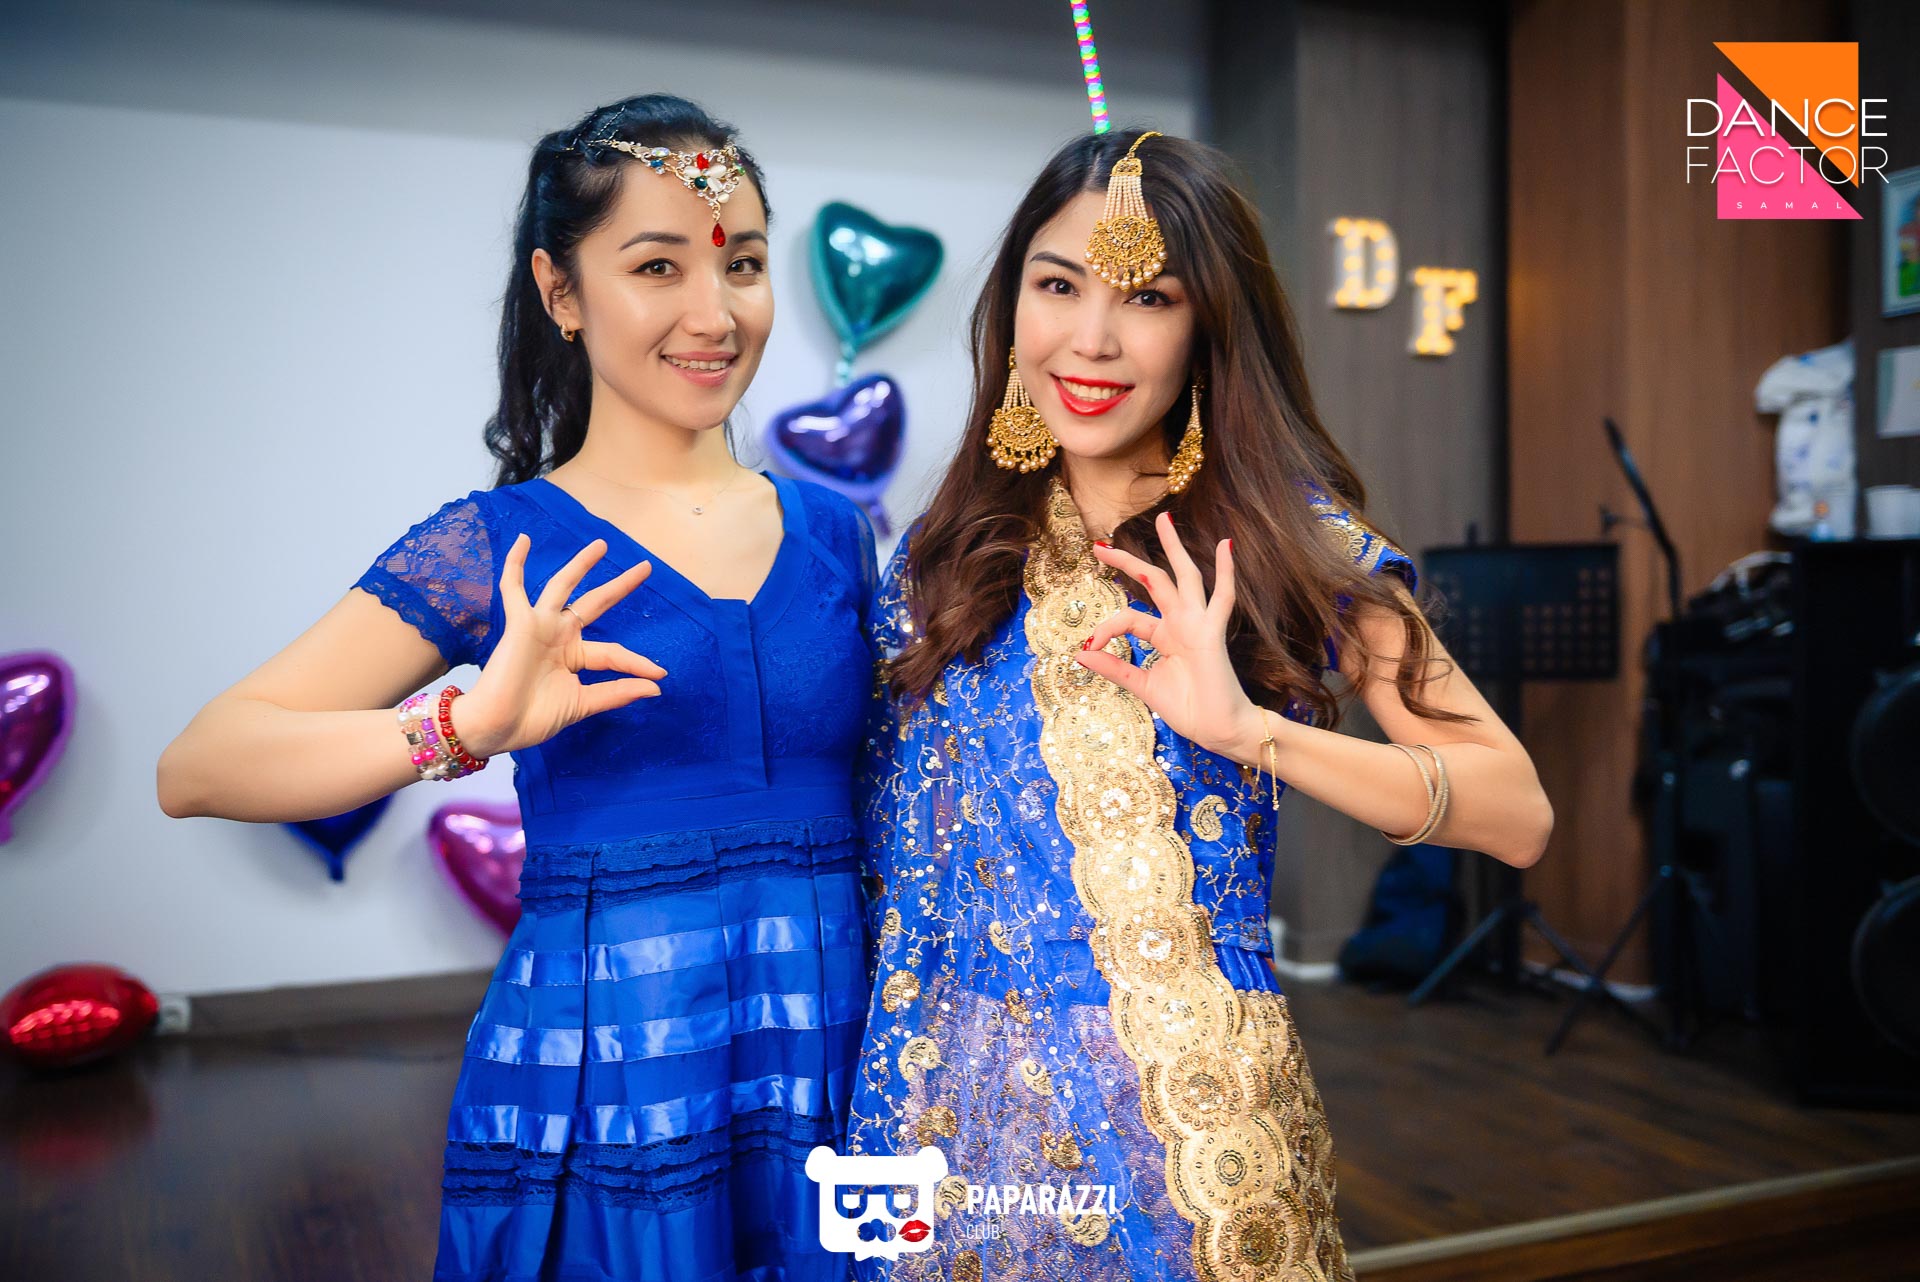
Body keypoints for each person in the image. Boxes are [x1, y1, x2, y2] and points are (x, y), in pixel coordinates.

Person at [157, 94, 873, 1282]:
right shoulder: (500, 544)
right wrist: (466, 725)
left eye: (741, 265)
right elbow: (201, 764)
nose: (715, 313)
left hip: (832, 1054)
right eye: (657, 266)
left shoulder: (838, 533)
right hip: (615, 1079)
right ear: (561, 291)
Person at [844, 130, 1554, 1282]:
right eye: (1058, 285)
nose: (1091, 338)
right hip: (943, 1129)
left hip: (1189, 1150)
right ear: (1013, 302)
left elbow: (1516, 812)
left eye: (1148, 297)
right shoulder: (943, 559)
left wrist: (1248, 732)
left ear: (1210, 326)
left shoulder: (1283, 543)